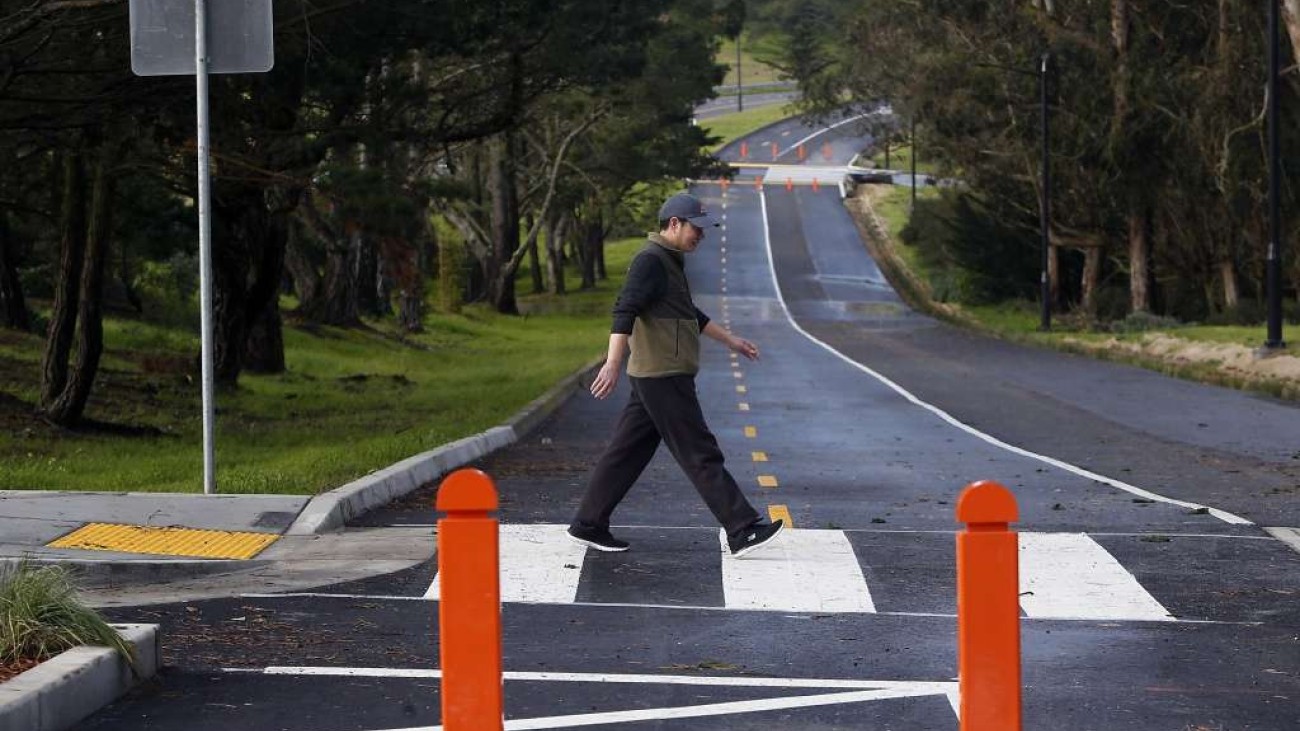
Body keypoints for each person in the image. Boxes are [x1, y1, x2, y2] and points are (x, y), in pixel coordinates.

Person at [566, 192, 784, 559]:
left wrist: (731, 341)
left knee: (627, 452)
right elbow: (625, 310)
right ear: (673, 224)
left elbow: (690, 314)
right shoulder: (650, 261)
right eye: (695, 228)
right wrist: (613, 362)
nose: (701, 235)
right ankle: (742, 528)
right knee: (699, 450)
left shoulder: (670, 262)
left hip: (658, 374)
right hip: (662, 374)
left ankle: (589, 522)